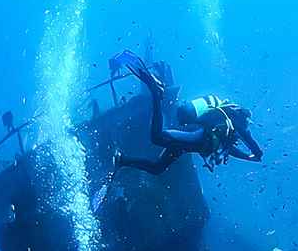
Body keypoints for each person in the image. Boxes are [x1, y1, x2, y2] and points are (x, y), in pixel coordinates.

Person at [111, 50, 263, 176]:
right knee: (157, 137)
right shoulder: (236, 122)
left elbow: (232, 151)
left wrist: (249, 158)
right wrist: (257, 153)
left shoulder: (227, 138)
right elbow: (249, 140)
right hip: (194, 139)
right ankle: (156, 93)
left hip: (188, 146)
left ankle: (122, 160)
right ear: (242, 116)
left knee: (157, 168)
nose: (247, 126)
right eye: (247, 122)